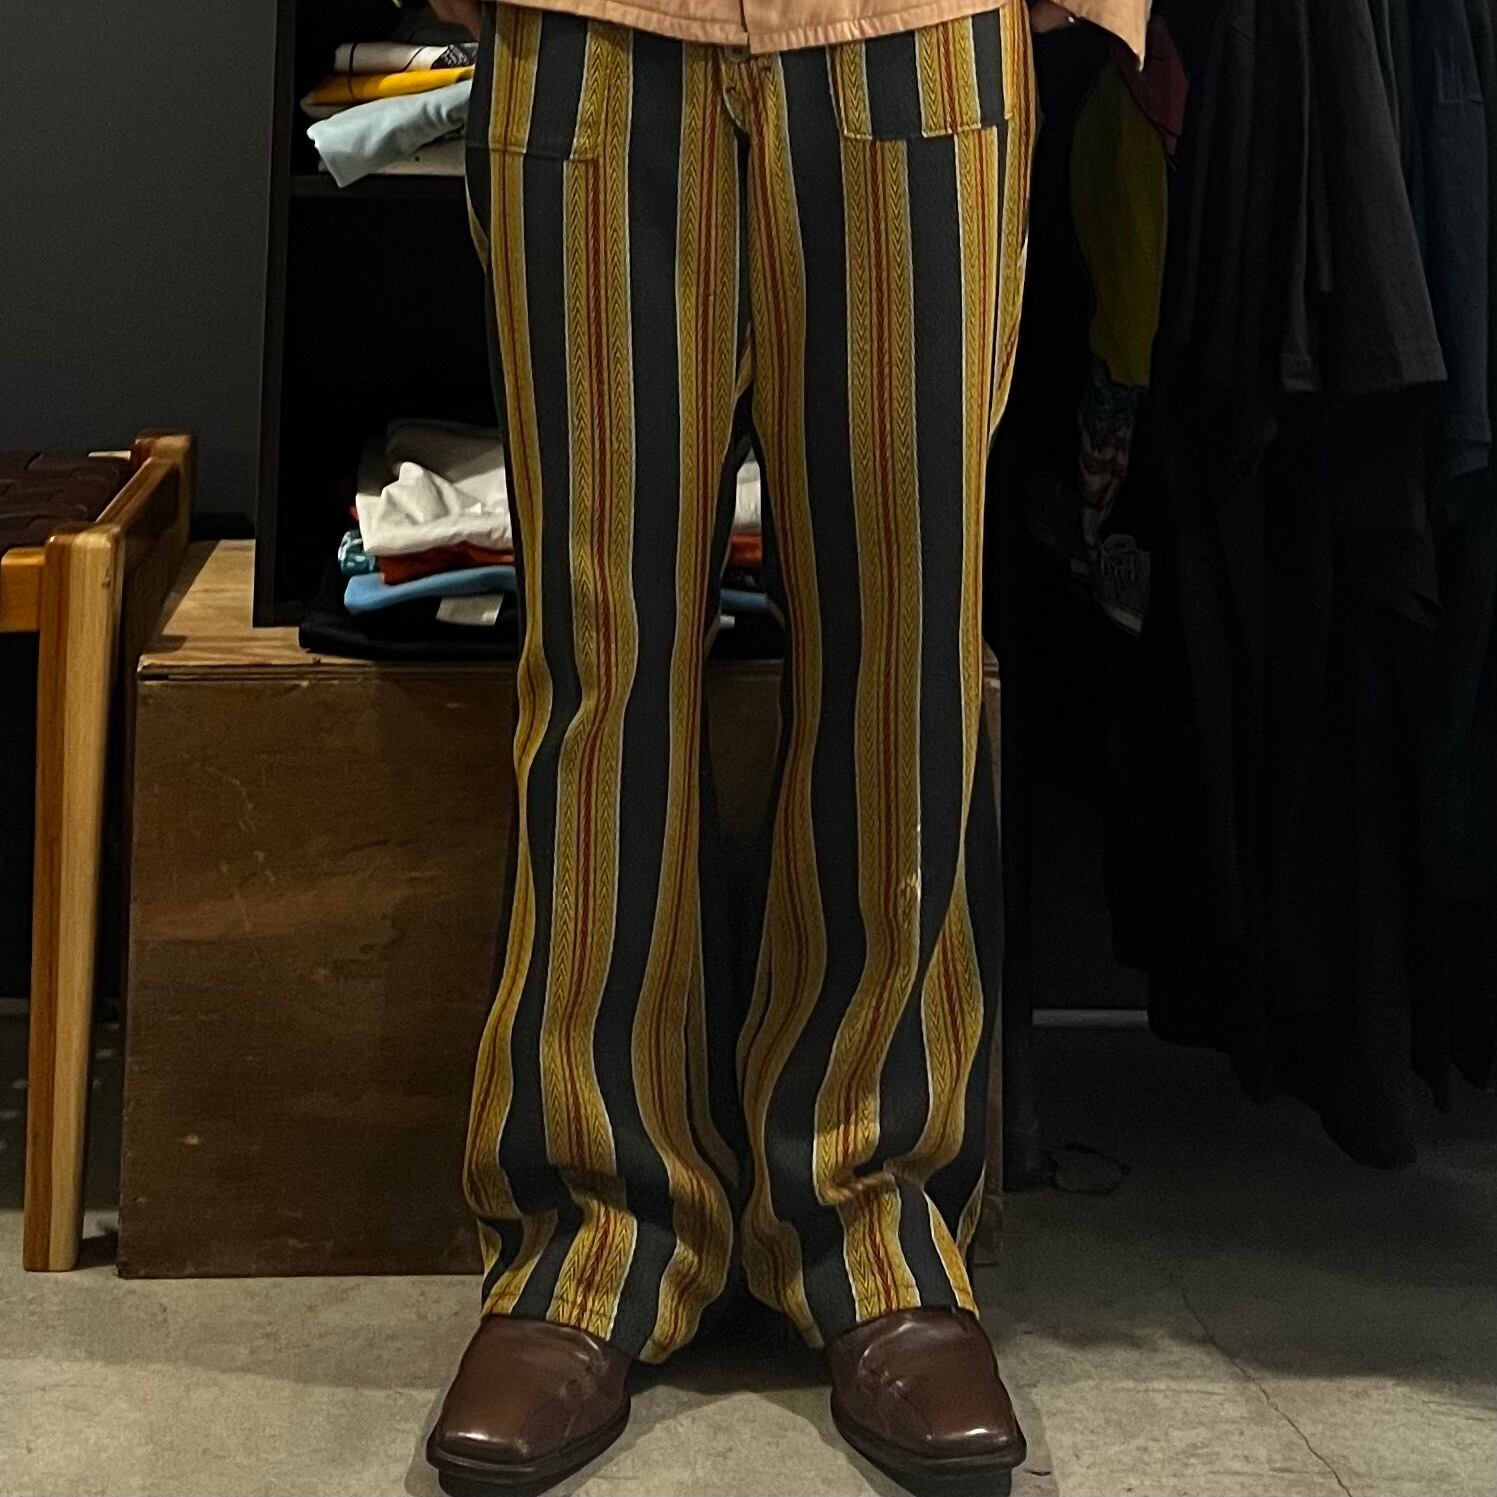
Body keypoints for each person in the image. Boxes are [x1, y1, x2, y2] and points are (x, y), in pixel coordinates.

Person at [419, 0, 1143, 1491]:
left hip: (915, 28)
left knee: (909, 646)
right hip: (590, 30)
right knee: (597, 646)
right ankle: (583, 1236)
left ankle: (880, 1229)